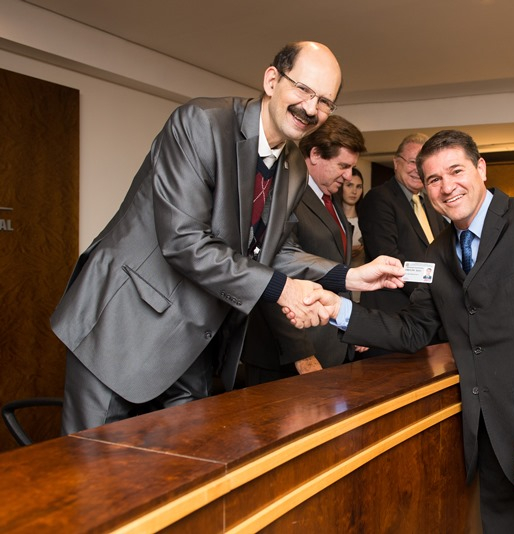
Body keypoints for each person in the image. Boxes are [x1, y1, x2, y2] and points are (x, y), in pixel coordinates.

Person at [50, 41, 404, 434]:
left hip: (198, 340)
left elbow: (276, 249)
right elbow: (184, 241)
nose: (310, 108)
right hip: (125, 324)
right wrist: (283, 290)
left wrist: (349, 276)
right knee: (95, 465)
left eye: (324, 101)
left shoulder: (292, 166)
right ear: (272, 80)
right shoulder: (201, 123)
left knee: (187, 464)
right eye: (303, 89)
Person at [296, 130, 514, 533]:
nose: (447, 187)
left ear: (480, 168)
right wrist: (339, 309)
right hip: (492, 448)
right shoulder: (438, 252)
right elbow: (413, 329)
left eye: (456, 171)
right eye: (434, 179)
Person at [242, 114, 366, 383]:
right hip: (289, 356)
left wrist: (353, 327)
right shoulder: (283, 194)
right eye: (343, 166)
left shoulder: (331, 200)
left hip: (331, 347)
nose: (348, 176)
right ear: (315, 154)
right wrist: (301, 353)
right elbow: (269, 272)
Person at [358, 133, 447, 314]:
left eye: (422, 164)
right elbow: (388, 257)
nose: (417, 169)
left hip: (426, 309)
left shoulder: (430, 203)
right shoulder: (379, 199)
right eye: (413, 162)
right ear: (396, 163)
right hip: (393, 309)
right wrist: (431, 294)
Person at [339, 167, 365, 269]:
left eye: (359, 187)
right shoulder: (332, 219)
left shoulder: (367, 220)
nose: (354, 191)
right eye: (349, 185)